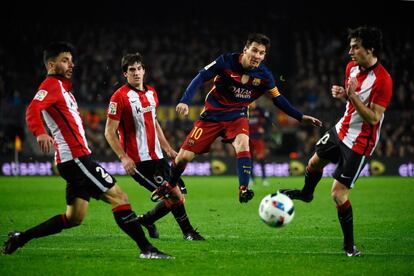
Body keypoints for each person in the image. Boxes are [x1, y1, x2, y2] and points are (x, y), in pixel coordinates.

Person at [2, 42, 173, 259]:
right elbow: (32, 110)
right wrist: (40, 133)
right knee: (120, 197)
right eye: (65, 60)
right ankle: (147, 249)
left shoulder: (63, 89)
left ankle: (20, 238)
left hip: (73, 160)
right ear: (52, 64)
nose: (71, 64)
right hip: (76, 158)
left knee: (74, 218)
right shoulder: (51, 85)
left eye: (71, 60)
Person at [152, 33, 322, 204]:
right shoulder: (226, 61)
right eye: (254, 51)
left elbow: (278, 99)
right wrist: (185, 101)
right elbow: (201, 77)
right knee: (183, 158)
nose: (257, 56)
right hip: (212, 115)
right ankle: (170, 183)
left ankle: (243, 188)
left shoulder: (264, 75)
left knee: (242, 143)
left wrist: (299, 117)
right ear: (245, 49)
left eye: (261, 53)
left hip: (237, 115)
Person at [279, 26, 393, 257]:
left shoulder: (383, 81)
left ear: (369, 49)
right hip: (341, 129)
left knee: (338, 194)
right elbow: (353, 101)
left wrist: (351, 96)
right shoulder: (351, 68)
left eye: (355, 47)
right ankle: (306, 194)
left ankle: (349, 245)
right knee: (313, 163)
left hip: (360, 143)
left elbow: (373, 118)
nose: (350, 51)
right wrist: (344, 94)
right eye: (350, 46)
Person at [104, 53, 204, 241]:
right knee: (173, 194)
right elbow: (109, 132)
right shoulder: (119, 97)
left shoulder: (151, 93)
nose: (136, 73)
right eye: (131, 70)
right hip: (138, 161)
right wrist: (123, 157)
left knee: (178, 193)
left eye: (139, 69)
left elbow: (154, 122)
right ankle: (188, 232)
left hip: (157, 156)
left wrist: (167, 148)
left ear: (144, 71)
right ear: (125, 74)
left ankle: (147, 220)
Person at [248, 101, 271, 186]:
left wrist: (264, 128)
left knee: (261, 158)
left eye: (253, 102)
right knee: (249, 159)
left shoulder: (260, 110)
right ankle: (251, 178)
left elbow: (269, 119)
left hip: (258, 138)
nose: (251, 104)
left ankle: (264, 178)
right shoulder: (244, 109)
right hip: (248, 138)